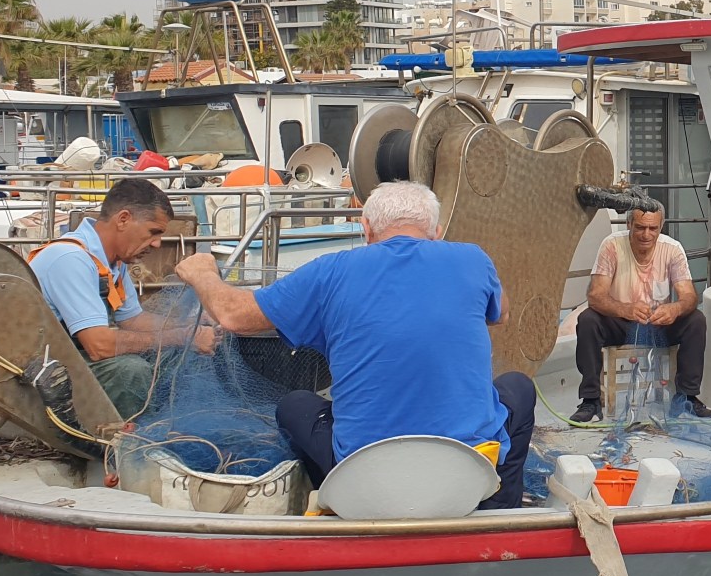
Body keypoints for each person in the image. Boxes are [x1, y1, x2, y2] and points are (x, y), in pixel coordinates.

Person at [174, 182, 536, 510]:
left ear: (366, 229)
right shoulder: (473, 259)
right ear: (437, 233)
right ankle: (499, 510)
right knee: (518, 387)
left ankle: (338, 504)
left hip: (363, 469)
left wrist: (203, 273)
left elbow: (233, 315)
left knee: (294, 405)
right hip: (466, 464)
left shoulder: (330, 271)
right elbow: (501, 314)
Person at [28, 177, 217, 419]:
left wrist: (193, 326)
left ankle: (164, 423)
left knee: (176, 355)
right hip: (45, 373)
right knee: (131, 371)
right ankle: (124, 436)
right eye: (153, 232)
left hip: (72, 356)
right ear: (123, 219)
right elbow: (99, 346)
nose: (157, 244)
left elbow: (133, 320)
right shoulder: (70, 259)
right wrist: (182, 337)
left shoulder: (113, 262)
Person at [571, 202, 711, 423]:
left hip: (658, 324)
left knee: (696, 320)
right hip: (621, 323)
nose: (646, 234)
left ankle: (686, 397)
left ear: (661, 226)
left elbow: (689, 296)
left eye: (652, 228)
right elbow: (595, 296)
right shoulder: (612, 245)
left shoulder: (672, 249)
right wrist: (624, 309)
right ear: (629, 224)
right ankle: (590, 400)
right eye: (640, 227)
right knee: (588, 320)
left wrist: (675, 308)